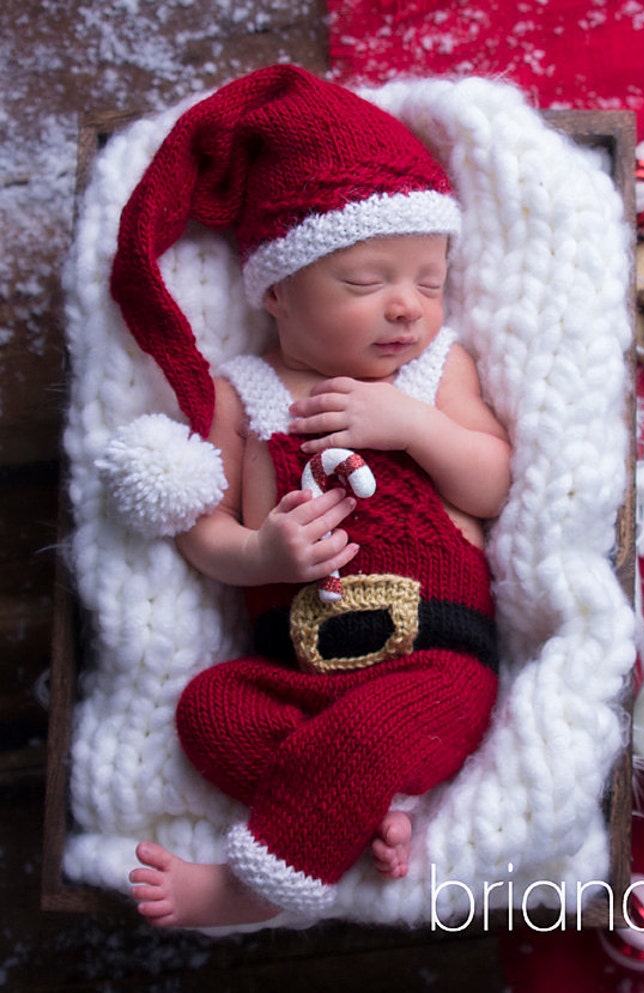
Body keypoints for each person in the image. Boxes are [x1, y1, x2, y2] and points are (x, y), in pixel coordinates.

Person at [108, 65, 511, 929]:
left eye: (429, 281)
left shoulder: (435, 374)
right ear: (279, 291)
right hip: (295, 674)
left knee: (372, 732)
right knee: (207, 712)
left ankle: (249, 890)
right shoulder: (241, 395)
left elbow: (493, 481)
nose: (406, 306)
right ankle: (362, 806)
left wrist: (413, 425)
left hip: (434, 663)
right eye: (366, 282)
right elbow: (200, 530)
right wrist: (258, 554)